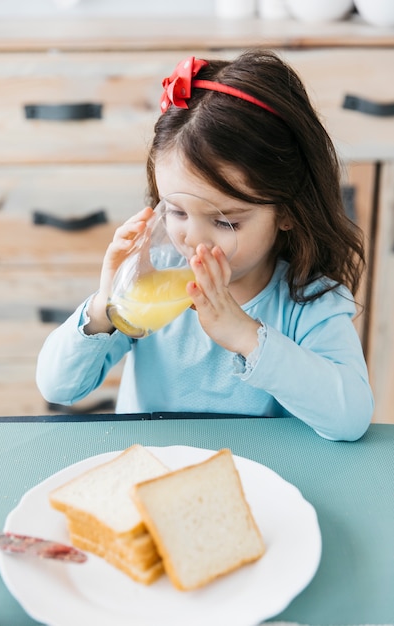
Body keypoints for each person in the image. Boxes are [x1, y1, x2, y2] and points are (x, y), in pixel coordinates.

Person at [36, 50, 374, 441]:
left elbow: (350, 420)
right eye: (176, 212)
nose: (192, 239)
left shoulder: (309, 303)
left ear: (287, 212)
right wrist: (106, 306)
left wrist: (247, 335)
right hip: (154, 470)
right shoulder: (157, 279)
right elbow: (57, 387)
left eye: (224, 221)